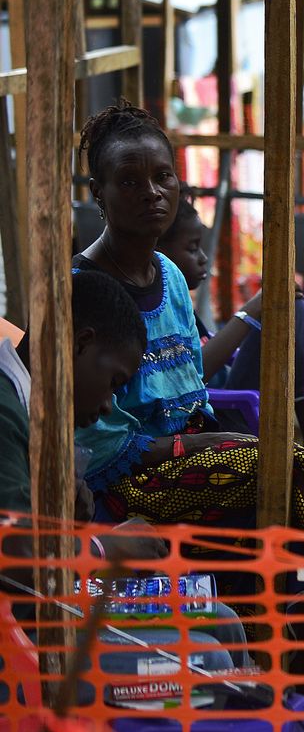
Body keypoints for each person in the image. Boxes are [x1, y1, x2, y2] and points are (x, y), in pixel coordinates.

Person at [69, 105, 304, 534]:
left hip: (195, 447)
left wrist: (212, 439)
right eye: (129, 181)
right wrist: (200, 443)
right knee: (291, 472)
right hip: (127, 479)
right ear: (99, 192)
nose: (152, 192)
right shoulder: (83, 290)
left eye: (163, 177)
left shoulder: (169, 274)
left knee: (290, 473)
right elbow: (96, 441)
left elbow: (193, 380)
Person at [0, 269, 251, 671]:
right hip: (22, 644)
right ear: (82, 344)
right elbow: (18, 563)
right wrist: (105, 548)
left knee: (222, 622)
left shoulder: (30, 409)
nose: (106, 406)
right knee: (209, 656)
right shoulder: (5, 411)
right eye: (114, 382)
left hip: (39, 614)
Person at [158, 197, 304, 492]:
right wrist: (249, 313)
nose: (203, 258)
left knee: (289, 307)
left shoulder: (179, 302)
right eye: (192, 248)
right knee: (285, 308)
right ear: (159, 253)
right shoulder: (161, 309)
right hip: (218, 422)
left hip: (228, 405)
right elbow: (191, 375)